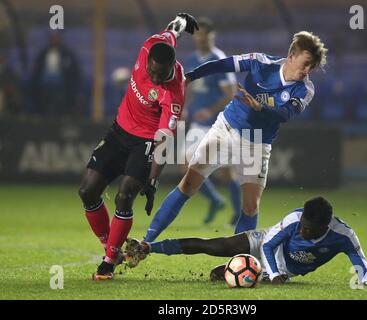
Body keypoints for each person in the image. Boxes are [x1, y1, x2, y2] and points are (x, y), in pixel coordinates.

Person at [144, 31, 328, 242]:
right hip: (225, 129)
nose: (307, 71)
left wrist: (260, 107)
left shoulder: (305, 89)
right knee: (187, 184)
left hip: (256, 142)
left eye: (312, 66)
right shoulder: (260, 62)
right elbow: (222, 65)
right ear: (291, 55)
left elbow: (285, 114)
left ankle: (237, 261)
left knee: (250, 206)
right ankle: (145, 242)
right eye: (305, 63)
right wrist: (191, 77)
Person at [78, 13, 199, 280]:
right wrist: (181, 22)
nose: (156, 79)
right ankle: (111, 243)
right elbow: (171, 31)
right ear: (146, 59)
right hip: (119, 130)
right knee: (87, 191)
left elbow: (164, 140)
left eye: (162, 75)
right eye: (152, 72)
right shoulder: (151, 44)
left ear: (172, 68)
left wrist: (153, 181)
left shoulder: (174, 91)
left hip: (145, 141)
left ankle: (108, 262)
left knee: (125, 195)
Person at [126, 196, 367, 286]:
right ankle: (149, 247)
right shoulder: (294, 221)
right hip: (266, 242)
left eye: (309, 230)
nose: (302, 232)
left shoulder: (342, 235)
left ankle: (237, 269)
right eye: (302, 226)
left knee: (239, 279)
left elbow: (359, 259)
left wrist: (366, 281)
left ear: (323, 226)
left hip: (287, 267)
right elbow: (269, 245)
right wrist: (274, 273)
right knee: (218, 245)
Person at [182, 17, 240, 225]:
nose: (201, 37)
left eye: (205, 33)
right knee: (186, 163)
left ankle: (237, 213)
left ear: (212, 36)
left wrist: (209, 110)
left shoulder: (219, 60)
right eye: (198, 33)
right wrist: (184, 108)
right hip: (199, 124)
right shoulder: (190, 60)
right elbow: (188, 88)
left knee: (225, 171)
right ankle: (215, 199)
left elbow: (230, 93)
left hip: (220, 123)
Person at [31, 32, 81, 116]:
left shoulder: (67, 54)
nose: (54, 40)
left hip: (62, 87)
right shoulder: (43, 54)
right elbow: (36, 71)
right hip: (44, 87)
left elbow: (75, 72)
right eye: (53, 38)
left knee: (60, 102)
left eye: (56, 38)